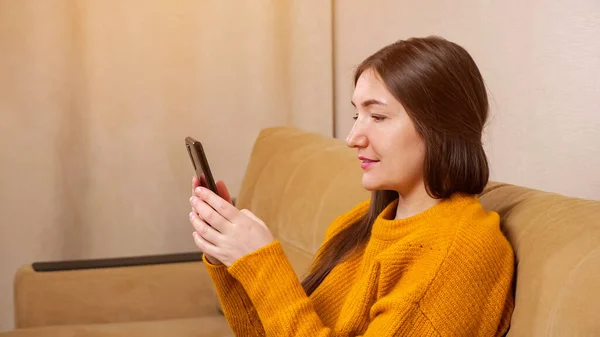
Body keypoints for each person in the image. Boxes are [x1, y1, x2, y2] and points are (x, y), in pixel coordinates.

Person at [188, 36, 515, 336]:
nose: (352, 138)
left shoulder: (461, 252)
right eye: (356, 115)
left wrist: (261, 263)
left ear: (440, 127)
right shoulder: (360, 224)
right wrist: (229, 258)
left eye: (378, 117)